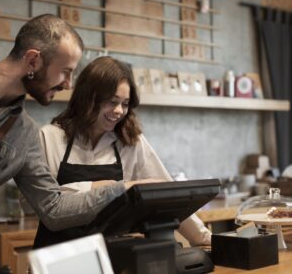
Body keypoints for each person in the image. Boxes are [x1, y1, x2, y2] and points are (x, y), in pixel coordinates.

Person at [0, 14, 153, 271]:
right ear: (33, 60)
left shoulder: (25, 134)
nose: (68, 84)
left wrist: (123, 189)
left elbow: (53, 209)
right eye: (65, 72)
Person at [33, 56, 212, 248]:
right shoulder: (49, 137)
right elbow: (38, 203)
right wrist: (109, 187)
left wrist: (203, 238)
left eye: (125, 103)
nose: (119, 110)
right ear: (88, 98)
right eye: (112, 101)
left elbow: (167, 195)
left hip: (111, 256)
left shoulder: (130, 141)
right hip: (56, 256)